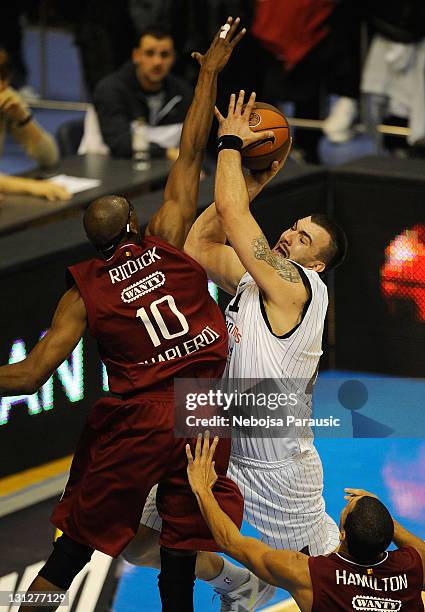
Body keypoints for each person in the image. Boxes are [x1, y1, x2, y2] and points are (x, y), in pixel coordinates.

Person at [0, 18, 258, 612]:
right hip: (202, 403)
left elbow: (30, 376)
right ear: (136, 226)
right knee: (178, 549)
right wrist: (209, 76)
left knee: (71, 553)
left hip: (141, 419)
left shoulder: (82, 291)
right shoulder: (167, 236)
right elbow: (191, 152)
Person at [123, 91, 347, 610]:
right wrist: (255, 176)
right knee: (137, 542)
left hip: (278, 473)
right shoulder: (255, 279)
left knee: (316, 588)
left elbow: (227, 209)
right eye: (294, 226)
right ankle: (236, 585)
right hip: (221, 443)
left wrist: (230, 145)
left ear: (315, 266)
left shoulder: (300, 289)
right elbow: (199, 248)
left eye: (305, 239)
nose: (291, 234)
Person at [186, 432, 425, 611]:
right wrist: (381, 516)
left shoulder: (311, 575)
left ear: (342, 534)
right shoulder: (413, 566)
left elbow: (231, 541)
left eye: (347, 509)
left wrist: (202, 489)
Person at [94, 25, 193, 162]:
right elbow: (119, 142)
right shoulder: (110, 89)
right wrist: (166, 152)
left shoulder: (183, 93)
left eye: (164, 55)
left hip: (164, 173)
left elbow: (195, 143)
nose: (157, 62)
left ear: (173, 58)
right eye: (149, 53)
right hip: (112, 170)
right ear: (136, 56)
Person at [0, 49, 69, 202]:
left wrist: (23, 119)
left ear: (4, 83)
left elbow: (49, 157)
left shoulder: (8, 101)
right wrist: (33, 187)